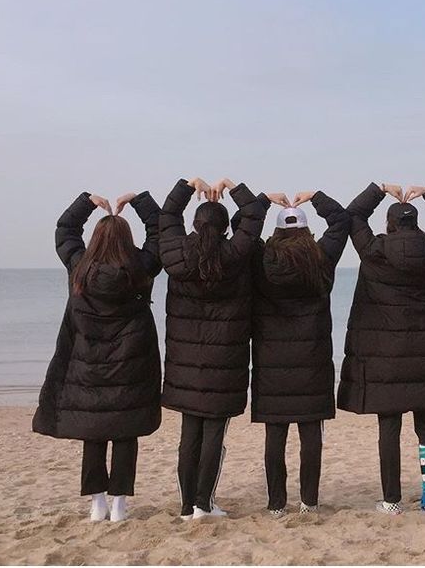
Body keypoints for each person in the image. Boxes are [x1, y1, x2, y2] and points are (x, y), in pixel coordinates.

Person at [33, 190, 162, 523]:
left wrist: (88, 201)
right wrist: (138, 200)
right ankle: (119, 505)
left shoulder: (80, 266)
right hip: (129, 366)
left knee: (95, 433)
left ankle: (97, 503)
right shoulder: (140, 267)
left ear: (96, 238)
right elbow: (160, 230)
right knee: (124, 432)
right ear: (126, 239)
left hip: (87, 368)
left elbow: (65, 230)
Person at [338, 183, 425, 515]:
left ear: (390, 224)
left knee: (389, 428)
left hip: (386, 360)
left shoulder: (373, 251)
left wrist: (379, 190)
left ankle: (391, 499)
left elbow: (352, 214)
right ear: (416, 223)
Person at [159, 176, 269, 520]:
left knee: (189, 432)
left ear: (194, 224)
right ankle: (203, 504)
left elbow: (167, 216)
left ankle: (186, 505)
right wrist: (233, 186)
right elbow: (252, 216)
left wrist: (188, 186)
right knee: (212, 434)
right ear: (225, 229)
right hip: (225, 359)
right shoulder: (235, 253)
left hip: (184, 363)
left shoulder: (176, 253)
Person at [250, 190, 350, 517]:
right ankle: (309, 501)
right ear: (307, 231)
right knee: (311, 436)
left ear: (277, 232)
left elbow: (244, 228)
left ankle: (277, 504)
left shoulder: (262, 259)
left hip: (271, 363)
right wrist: (318, 198)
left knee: (274, 436)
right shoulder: (320, 258)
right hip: (313, 360)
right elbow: (341, 222)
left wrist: (263, 201)